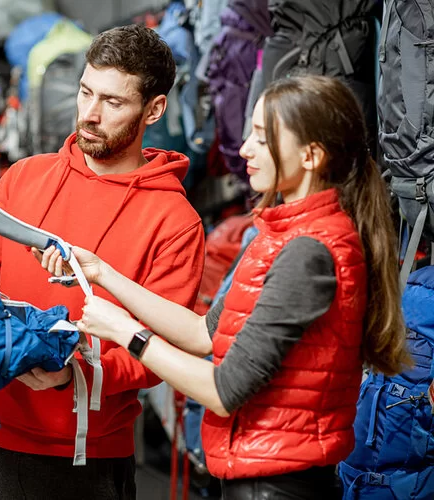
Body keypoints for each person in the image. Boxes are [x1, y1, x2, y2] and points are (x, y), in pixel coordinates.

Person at [38, 75, 411, 499]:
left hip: (278, 487)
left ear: (311, 155)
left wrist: (125, 331)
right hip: (255, 479)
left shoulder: (310, 253)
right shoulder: (278, 235)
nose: (245, 149)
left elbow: (222, 392)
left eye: (262, 138)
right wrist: (102, 272)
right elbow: (202, 334)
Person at [0, 24, 205, 499]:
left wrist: (74, 374)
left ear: (153, 110)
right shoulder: (24, 178)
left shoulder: (176, 221)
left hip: (91, 459)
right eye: (85, 92)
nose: (89, 114)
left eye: (112, 102)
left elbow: (162, 354)